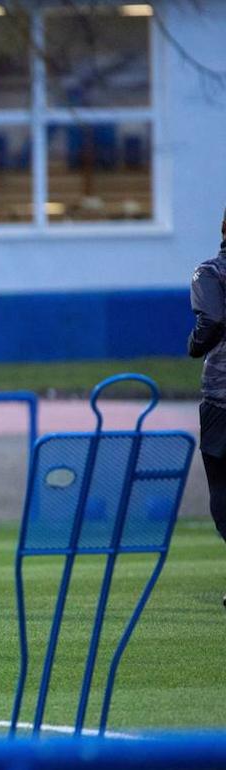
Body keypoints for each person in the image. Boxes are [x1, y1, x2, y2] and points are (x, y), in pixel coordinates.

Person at [188, 204, 226, 607]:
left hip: (222, 395)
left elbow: (211, 321)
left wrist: (194, 345)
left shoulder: (210, 272)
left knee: (222, 487)